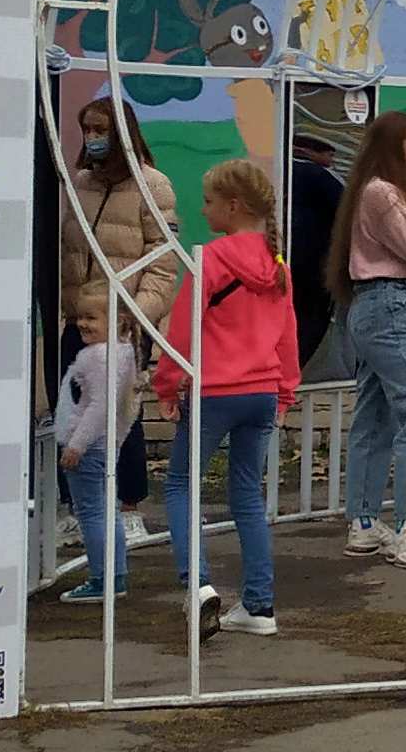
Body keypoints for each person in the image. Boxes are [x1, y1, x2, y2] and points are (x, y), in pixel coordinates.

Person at [156, 159, 300, 636]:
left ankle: (197, 585)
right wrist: (285, 393)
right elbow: (288, 336)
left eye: (209, 201)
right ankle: (259, 605)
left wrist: (166, 384)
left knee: (181, 485)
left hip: (214, 391)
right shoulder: (278, 265)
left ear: (233, 206)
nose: (203, 210)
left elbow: (183, 329)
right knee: (247, 496)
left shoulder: (210, 259)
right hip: (263, 392)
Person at [56, 100, 182, 555]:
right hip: (81, 320)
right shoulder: (81, 183)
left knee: (121, 415)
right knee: (72, 412)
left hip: (125, 324)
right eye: (86, 129)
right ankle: (78, 507)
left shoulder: (153, 184)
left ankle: (129, 508)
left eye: (100, 129)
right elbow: (67, 250)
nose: (92, 137)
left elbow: (163, 261)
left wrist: (133, 315)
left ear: (122, 132)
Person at [331, 111, 406, 568]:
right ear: (393, 146)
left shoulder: (372, 191)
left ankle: (363, 522)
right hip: (387, 305)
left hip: (379, 305)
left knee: (375, 415)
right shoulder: (382, 193)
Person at [51, 328, 141, 604]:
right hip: (106, 442)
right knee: (108, 510)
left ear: (115, 321)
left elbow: (99, 406)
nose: (82, 324)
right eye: (80, 317)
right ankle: (115, 576)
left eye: (91, 317)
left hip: (87, 445)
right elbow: (127, 405)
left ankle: (101, 578)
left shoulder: (96, 357)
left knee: (90, 513)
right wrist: (117, 439)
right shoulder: (124, 352)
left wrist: (76, 445)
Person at [286, 132, 346, 374]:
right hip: (316, 265)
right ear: (310, 151)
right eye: (328, 152)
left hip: (285, 261)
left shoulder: (281, 171)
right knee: (312, 320)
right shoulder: (320, 175)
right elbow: (349, 210)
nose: (332, 158)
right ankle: (293, 371)